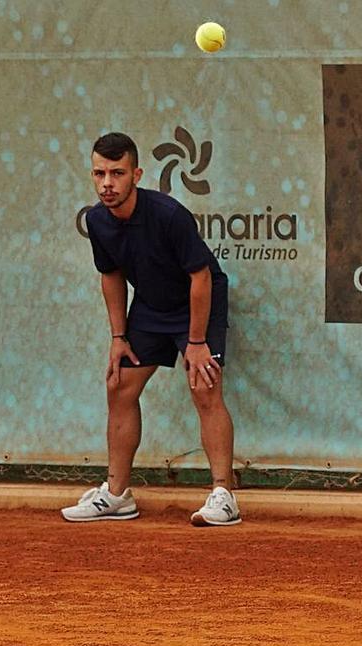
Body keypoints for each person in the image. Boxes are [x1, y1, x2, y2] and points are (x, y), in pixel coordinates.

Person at [60, 132, 241, 527]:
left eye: (117, 173)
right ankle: (117, 494)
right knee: (119, 385)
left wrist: (196, 342)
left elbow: (201, 278)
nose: (107, 183)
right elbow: (110, 276)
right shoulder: (96, 220)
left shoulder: (169, 215)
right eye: (99, 173)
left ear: (136, 174)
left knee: (204, 385)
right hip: (151, 306)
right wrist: (118, 338)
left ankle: (223, 495)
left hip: (198, 301)